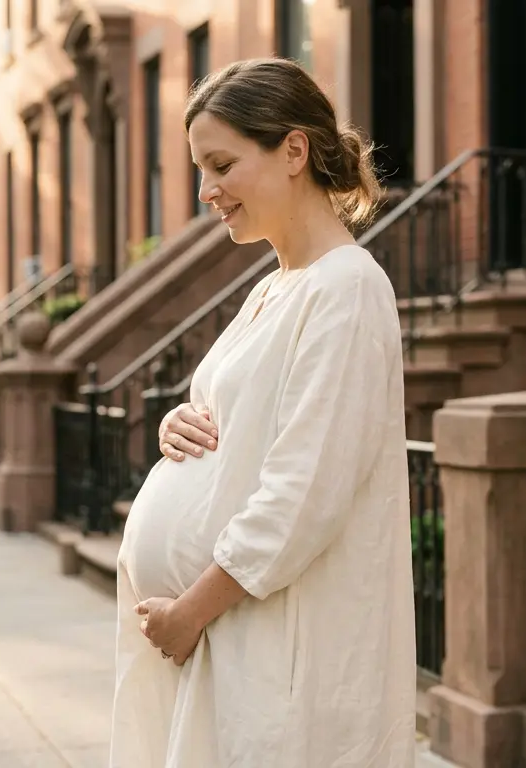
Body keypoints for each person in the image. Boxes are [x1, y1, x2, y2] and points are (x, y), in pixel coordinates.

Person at [110, 58, 416, 767]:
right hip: (234, 641)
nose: (206, 191)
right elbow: (232, 417)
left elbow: (303, 495)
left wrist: (189, 612)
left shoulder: (346, 290)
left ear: (294, 150)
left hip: (281, 645)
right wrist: (174, 426)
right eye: (199, 168)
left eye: (221, 164)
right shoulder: (276, 287)